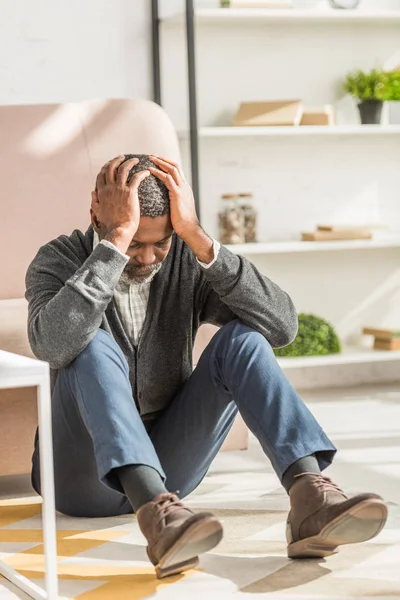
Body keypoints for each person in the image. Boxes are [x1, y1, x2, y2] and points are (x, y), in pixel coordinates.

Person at [26, 154, 387, 579]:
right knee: (89, 344)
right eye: (133, 242)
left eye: (159, 243)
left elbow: (282, 326)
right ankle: (157, 518)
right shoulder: (58, 259)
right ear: (96, 213)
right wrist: (113, 247)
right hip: (79, 478)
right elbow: (52, 344)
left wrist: (198, 240)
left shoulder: (182, 260)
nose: (145, 258)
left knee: (244, 340)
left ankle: (310, 496)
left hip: (171, 470)